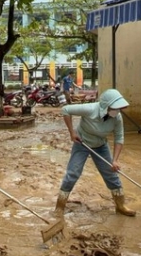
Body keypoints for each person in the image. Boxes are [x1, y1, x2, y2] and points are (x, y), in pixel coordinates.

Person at [54, 89, 135, 217]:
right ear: (105, 106)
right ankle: (59, 207)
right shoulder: (91, 109)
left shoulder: (117, 118)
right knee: (73, 173)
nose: (117, 110)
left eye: (119, 108)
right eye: (114, 107)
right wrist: (72, 133)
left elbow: (119, 138)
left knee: (112, 174)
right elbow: (66, 110)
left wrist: (115, 160)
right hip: (82, 143)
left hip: (101, 145)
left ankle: (120, 206)